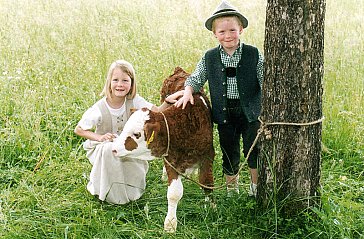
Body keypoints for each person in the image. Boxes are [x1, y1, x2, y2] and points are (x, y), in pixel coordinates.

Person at [176, 1, 264, 197]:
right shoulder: (209, 57)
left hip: (251, 111)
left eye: (232, 30)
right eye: (222, 32)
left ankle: (255, 188)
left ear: (240, 29)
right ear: (214, 34)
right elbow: (196, 78)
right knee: (229, 151)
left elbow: (265, 79)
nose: (228, 36)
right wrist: (189, 90)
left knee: (253, 149)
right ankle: (232, 190)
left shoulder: (253, 54)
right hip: (224, 113)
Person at [75, 60, 183, 204]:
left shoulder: (134, 101)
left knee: (131, 149)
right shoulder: (100, 107)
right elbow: (79, 129)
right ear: (109, 82)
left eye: (125, 80)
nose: (120, 84)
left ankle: (130, 192)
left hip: (128, 144)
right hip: (103, 146)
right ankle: (109, 194)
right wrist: (99, 137)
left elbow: (155, 112)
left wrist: (167, 102)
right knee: (109, 149)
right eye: (116, 80)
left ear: (131, 83)